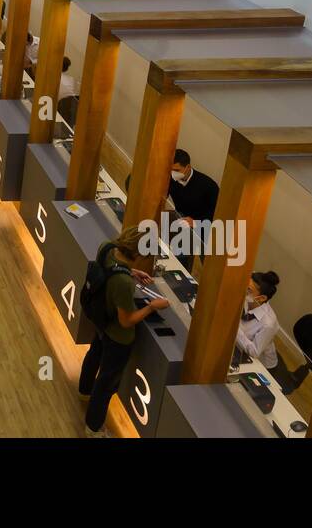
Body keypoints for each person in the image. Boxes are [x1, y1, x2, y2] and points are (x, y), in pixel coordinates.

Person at [78, 226, 169, 436]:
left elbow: (110, 270)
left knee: (94, 354)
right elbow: (127, 321)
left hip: (101, 320)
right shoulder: (124, 283)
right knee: (107, 383)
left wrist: (132, 272)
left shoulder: (106, 248)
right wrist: (152, 306)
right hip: (117, 337)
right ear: (138, 253)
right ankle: (93, 427)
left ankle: (84, 391)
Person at [165, 148, 219, 272]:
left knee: (209, 265)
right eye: (171, 170)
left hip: (205, 226)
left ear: (187, 167)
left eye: (177, 170)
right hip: (182, 222)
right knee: (181, 257)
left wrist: (195, 222)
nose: (173, 173)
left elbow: (215, 214)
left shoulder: (208, 186)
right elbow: (162, 196)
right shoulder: (170, 179)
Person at [236, 271, 281, 370]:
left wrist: (234, 329)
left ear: (261, 298)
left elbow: (254, 352)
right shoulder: (249, 300)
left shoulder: (268, 323)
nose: (244, 291)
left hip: (262, 366)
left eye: (249, 290)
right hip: (239, 349)